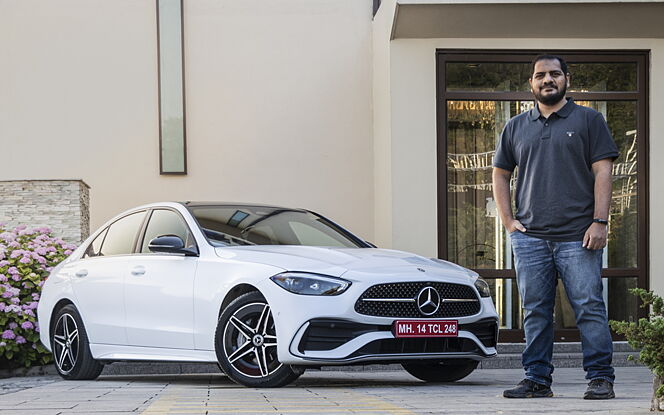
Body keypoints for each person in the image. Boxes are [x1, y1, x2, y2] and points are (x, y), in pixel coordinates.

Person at [492, 54, 618, 400]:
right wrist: (508, 220)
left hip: (579, 236)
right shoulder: (516, 126)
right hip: (530, 237)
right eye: (540, 75)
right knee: (535, 310)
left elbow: (603, 172)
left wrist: (600, 221)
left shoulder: (588, 119)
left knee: (589, 306)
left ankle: (600, 378)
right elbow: (500, 174)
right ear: (531, 84)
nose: (547, 80)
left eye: (554, 74)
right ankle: (536, 379)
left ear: (566, 79)